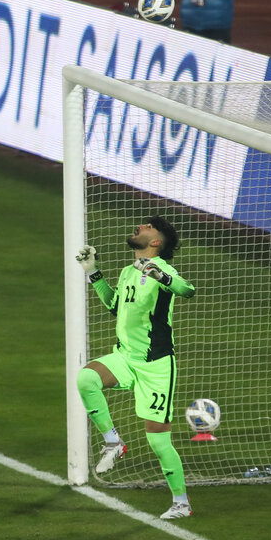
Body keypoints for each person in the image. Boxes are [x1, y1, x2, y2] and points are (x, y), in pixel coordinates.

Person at [74, 217, 197, 520]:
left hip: (155, 366)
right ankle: (113, 442)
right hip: (126, 357)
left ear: (156, 242)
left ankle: (181, 502)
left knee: (157, 440)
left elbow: (187, 290)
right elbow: (115, 305)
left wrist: (160, 276)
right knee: (86, 378)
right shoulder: (129, 271)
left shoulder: (164, 270)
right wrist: (93, 273)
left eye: (147, 228)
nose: (139, 228)